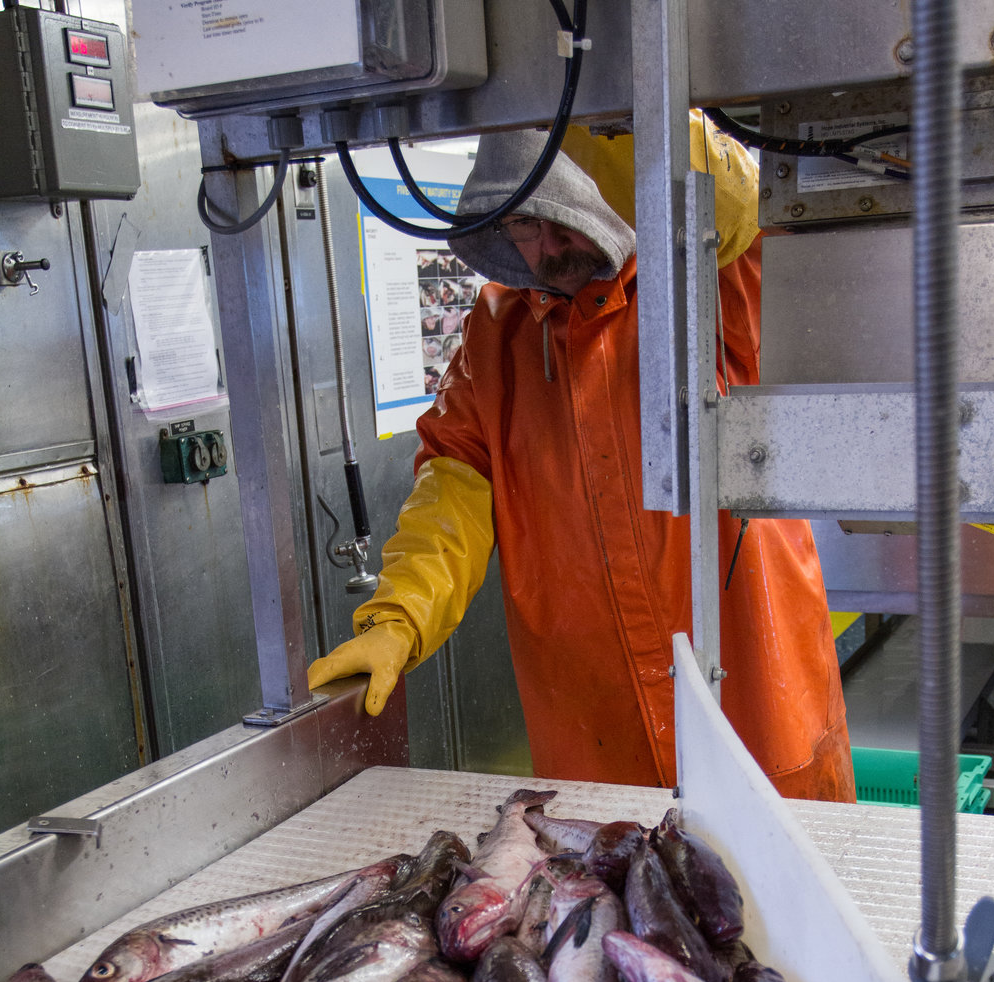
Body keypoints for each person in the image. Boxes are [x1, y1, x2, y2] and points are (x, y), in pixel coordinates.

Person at [308, 113, 855, 800]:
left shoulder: (711, 283)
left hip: (761, 703)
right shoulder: (494, 337)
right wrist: (398, 617)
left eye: (561, 213)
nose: (548, 245)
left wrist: (592, 100)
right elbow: (451, 493)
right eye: (522, 224)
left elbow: (736, 205)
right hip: (597, 740)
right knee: (610, 869)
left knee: (791, 864)